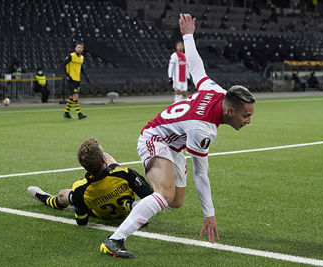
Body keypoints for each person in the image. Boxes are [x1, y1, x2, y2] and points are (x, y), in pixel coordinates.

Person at [99, 13, 255, 259]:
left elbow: (196, 67)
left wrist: (188, 36)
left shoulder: (216, 90)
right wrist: (209, 213)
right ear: (230, 111)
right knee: (165, 194)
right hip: (155, 138)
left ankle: (133, 207)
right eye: (246, 116)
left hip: (174, 144)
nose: (248, 121)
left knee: (176, 202)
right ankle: (115, 239)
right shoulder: (203, 129)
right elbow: (200, 174)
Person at [27, 137, 154, 226]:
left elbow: (81, 221)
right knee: (114, 168)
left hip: (98, 212)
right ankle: (130, 206)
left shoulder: (79, 188)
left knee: (62, 194)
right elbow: (152, 197)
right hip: (125, 208)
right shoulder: (126, 174)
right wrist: (131, 206)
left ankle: (46, 198)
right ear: (104, 159)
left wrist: (81, 201)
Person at [63, 42, 90, 119]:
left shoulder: (81, 58)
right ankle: (79, 114)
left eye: (81, 48)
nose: (80, 49)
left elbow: (81, 68)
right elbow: (63, 65)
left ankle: (66, 113)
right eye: (78, 47)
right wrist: (67, 75)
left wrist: (86, 76)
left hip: (77, 79)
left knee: (71, 97)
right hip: (71, 79)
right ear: (75, 48)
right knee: (76, 95)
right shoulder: (71, 56)